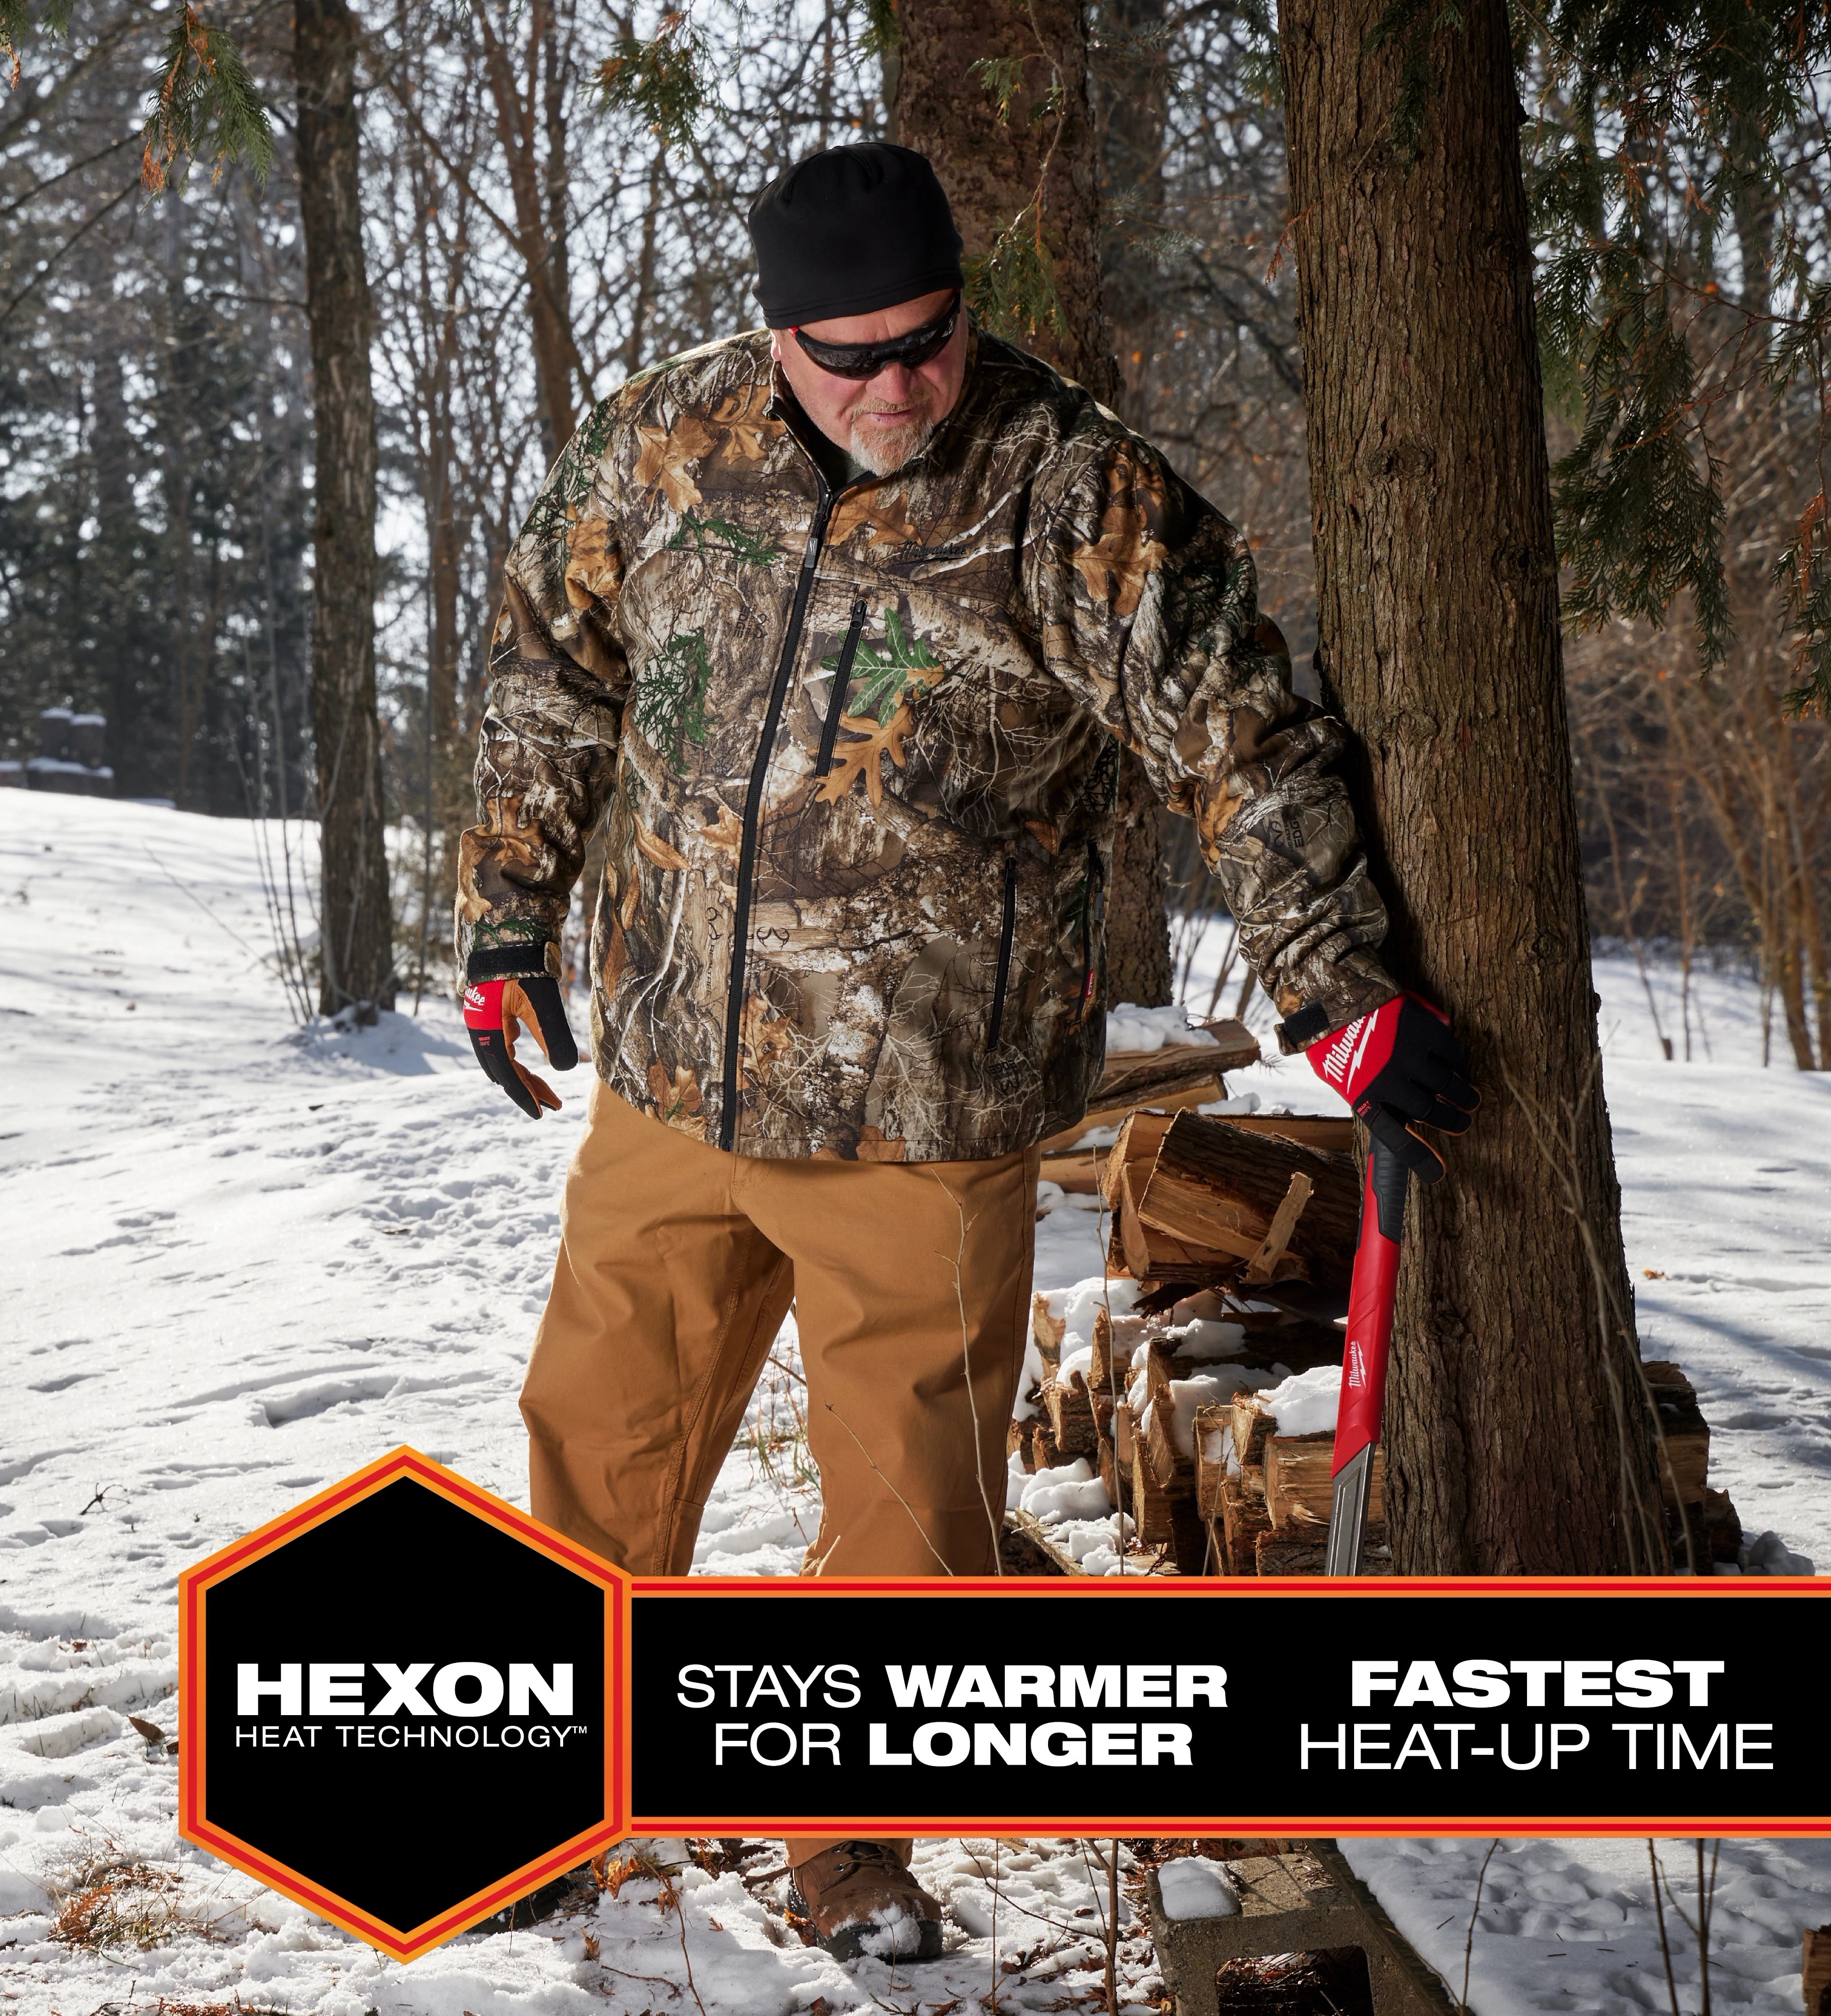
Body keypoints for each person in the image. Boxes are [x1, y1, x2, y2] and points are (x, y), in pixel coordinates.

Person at [454, 142, 1477, 1961]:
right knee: (599, 1444)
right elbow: (553, 658)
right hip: (680, 1073)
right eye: (848, 354)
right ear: (775, 339)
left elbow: (1235, 733)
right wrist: (504, 913)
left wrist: (1335, 982)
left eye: (927, 339)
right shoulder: (662, 448)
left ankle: (842, 1839)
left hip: (925, 1106)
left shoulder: (1070, 489)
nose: (897, 386)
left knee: (909, 1531)